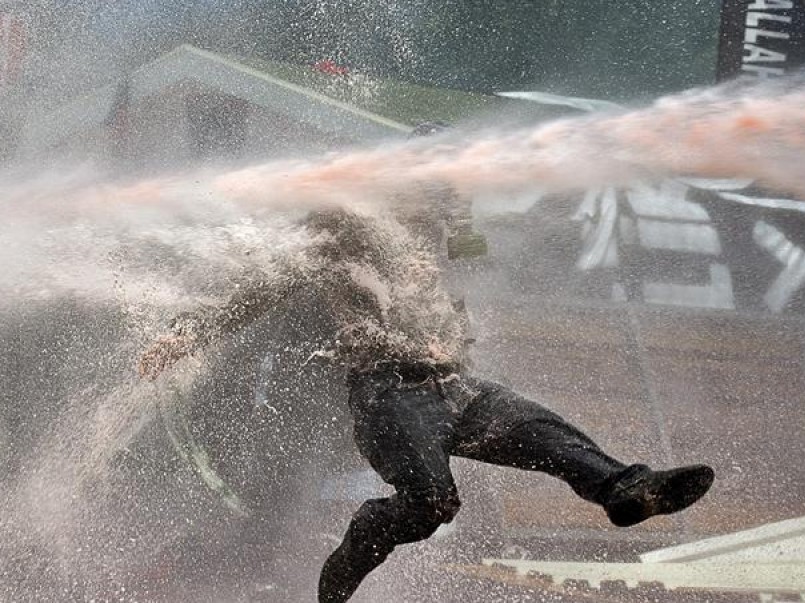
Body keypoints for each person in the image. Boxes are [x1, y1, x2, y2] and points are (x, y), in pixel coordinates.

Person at [138, 206, 714, 603]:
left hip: (456, 387)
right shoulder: (345, 223)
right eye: (440, 197)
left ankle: (626, 491)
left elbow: (457, 296)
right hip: (389, 394)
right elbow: (269, 282)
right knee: (434, 503)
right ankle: (368, 531)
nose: (447, 212)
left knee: (548, 434)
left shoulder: (434, 241)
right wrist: (191, 332)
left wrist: (457, 331)